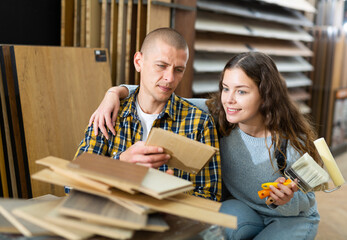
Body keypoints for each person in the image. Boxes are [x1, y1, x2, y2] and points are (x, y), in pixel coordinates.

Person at [89, 52, 322, 240]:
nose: (229, 99)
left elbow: (306, 202)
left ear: (265, 95)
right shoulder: (220, 114)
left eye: (241, 91)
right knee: (209, 233)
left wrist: (286, 200)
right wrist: (115, 92)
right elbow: (162, 94)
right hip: (243, 207)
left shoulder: (293, 142)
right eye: (225, 88)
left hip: (291, 218)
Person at [75, 28, 222, 201]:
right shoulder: (109, 113)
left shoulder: (200, 123)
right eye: (161, 66)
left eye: (179, 70)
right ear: (138, 62)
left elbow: (210, 197)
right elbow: (73, 183)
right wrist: (118, 164)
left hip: (168, 221)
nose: (169, 78)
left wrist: (167, 192)